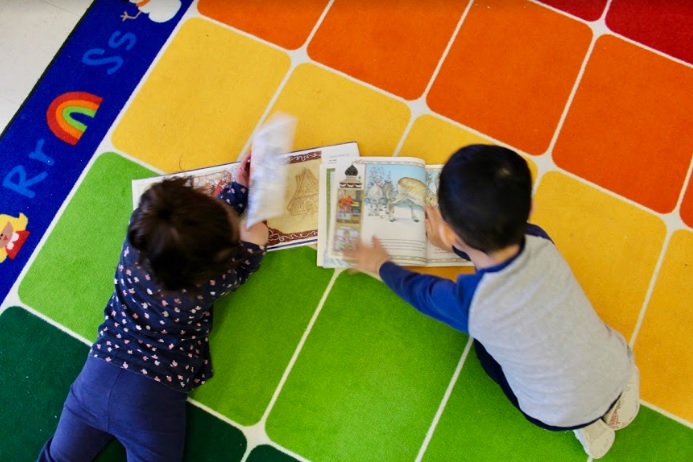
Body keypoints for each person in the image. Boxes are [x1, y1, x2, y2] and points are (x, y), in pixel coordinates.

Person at [345, 144, 639, 459]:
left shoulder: (471, 303)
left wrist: (379, 264)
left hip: (556, 412)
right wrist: (454, 241)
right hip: (615, 367)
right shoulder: (539, 239)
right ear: (530, 208)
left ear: (450, 233)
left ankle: (587, 425)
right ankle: (616, 398)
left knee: (485, 354)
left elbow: (419, 291)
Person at [38, 152, 268, 462]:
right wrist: (254, 241)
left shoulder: (141, 231)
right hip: (150, 398)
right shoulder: (206, 286)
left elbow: (191, 234)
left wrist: (237, 188)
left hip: (96, 379)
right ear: (206, 268)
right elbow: (243, 262)